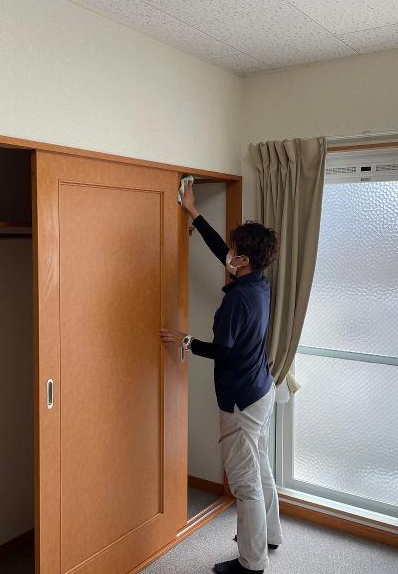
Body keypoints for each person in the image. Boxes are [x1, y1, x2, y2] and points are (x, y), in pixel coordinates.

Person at [160, 181, 282, 574]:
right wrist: (193, 211)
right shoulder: (258, 283)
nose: (227, 254)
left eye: (233, 251)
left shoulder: (236, 300)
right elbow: (222, 255)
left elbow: (222, 351)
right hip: (261, 391)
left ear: (242, 259)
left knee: (244, 483)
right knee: (260, 465)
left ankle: (252, 563)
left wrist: (186, 341)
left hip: (240, 401)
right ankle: (269, 535)